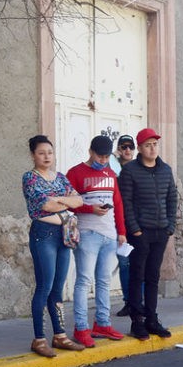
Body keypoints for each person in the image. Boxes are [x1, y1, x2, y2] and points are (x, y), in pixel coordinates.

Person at [22, 135, 85, 357]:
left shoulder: (60, 177)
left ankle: (59, 335)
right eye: (41, 152)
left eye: (49, 152)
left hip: (63, 235)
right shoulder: (30, 178)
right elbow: (45, 204)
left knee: (58, 287)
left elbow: (78, 201)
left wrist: (59, 199)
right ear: (33, 155)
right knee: (44, 286)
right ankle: (39, 339)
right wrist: (62, 200)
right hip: (43, 235)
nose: (46, 156)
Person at [66, 135, 127, 347]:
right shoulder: (75, 173)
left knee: (104, 281)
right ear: (90, 152)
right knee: (84, 281)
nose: (102, 160)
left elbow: (117, 203)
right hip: (87, 233)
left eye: (106, 157)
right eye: (99, 156)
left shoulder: (111, 173)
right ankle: (81, 327)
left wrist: (122, 232)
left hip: (109, 235)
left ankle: (102, 323)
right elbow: (68, 203)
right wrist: (89, 208)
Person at [118, 128, 177, 339]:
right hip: (140, 233)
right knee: (137, 276)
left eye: (155, 144)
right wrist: (135, 230)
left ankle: (152, 319)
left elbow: (172, 198)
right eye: (148, 145)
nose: (152, 148)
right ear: (140, 148)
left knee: (153, 276)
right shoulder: (130, 171)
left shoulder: (165, 170)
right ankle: (137, 322)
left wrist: (170, 226)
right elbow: (126, 203)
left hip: (161, 232)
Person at [114, 134, 135, 317]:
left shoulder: (139, 168)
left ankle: (139, 301)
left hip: (138, 223)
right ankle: (128, 301)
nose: (127, 150)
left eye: (130, 147)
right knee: (124, 263)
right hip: (120, 224)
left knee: (141, 265)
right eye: (123, 147)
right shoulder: (113, 168)